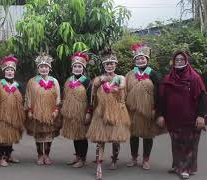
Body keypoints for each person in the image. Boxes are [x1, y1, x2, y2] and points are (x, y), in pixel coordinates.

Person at [157, 51, 207, 179]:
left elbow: (202, 97)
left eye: (181, 59)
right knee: (176, 143)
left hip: (191, 119)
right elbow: (162, 99)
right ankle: (178, 166)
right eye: (176, 60)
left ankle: (187, 168)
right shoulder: (168, 78)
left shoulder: (194, 78)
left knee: (189, 144)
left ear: (186, 61)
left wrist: (201, 116)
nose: (178, 61)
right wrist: (161, 115)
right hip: (173, 119)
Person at [87, 52, 130, 180]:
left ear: (116, 64)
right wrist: (99, 81)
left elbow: (123, 85)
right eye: (106, 64)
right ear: (103, 65)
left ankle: (114, 160)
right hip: (101, 112)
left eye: (111, 63)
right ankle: (99, 167)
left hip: (117, 111)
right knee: (101, 139)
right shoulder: (99, 79)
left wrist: (117, 88)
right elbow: (93, 91)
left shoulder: (120, 77)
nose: (109, 66)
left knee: (115, 138)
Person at [125, 43, 161, 170]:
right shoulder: (129, 74)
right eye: (138, 58)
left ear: (147, 59)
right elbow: (125, 91)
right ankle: (134, 157)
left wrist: (156, 109)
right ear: (134, 60)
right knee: (133, 135)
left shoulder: (153, 74)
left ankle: (146, 160)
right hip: (133, 111)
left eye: (143, 58)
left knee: (147, 135)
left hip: (148, 110)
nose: (140, 60)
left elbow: (159, 92)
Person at [24, 52, 61, 165]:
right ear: (38, 68)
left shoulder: (54, 81)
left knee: (49, 135)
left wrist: (56, 110)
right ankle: (40, 155)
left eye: (46, 67)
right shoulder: (32, 81)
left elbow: (58, 96)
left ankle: (47, 155)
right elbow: (28, 96)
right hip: (37, 112)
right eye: (41, 67)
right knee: (39, 135)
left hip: (50, 112)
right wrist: (29, 110)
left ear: (49, 68)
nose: (44, 69)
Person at [0, 55, 25, 167]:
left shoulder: (18, 85)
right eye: (7, 70)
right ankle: (1, 157)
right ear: (4, 71)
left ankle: (9, 155)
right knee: (2, 137)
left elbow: (23, 100)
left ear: (14, 72)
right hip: (1, 116)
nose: (10, 72)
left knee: (10, 137)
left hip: (14, 116)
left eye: (11, 70)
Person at [61, 52, 92, 168]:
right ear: (72, 67)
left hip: (82, 112)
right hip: (71, 113)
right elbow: (65, 96)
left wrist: (88, 112)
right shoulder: (69, 80)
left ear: (83, 68)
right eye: (75, 66)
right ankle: (77, 156)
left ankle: (83, 159)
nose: (77, 68)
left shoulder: (87, 81)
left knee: (82, 136)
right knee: (75, 134)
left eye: (80, 66)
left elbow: (91, 99)